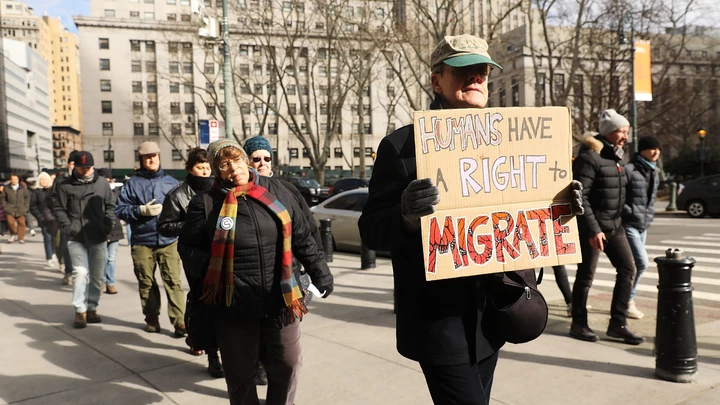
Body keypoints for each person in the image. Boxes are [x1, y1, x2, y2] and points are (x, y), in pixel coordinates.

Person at [358, 34, 586, 405]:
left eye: (482, 72)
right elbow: (371, 230)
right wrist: (407, 216)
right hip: (439, 324)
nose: (476, 78)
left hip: (495, 315)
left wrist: (561, 208)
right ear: (436, 80)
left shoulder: (514, 144)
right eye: (464, 70)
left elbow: (525, 222)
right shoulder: (401, 146)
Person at [181, 139, 333, 405]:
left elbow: (302, 236)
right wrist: (216, 268)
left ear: (245, 160)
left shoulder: (277, 192)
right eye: (224, 164)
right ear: (218, 171)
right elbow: (188, 247)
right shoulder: (205, 202)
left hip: (280, 299)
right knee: (240, 375)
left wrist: (321, 272)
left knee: (287, 365)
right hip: (233, 303)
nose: (233, 168)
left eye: (236, 160)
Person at [243, 135, 325, 386]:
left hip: (289, 274)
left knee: (285, 335)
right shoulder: (238, 192)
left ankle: (272, 366)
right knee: (256, 333)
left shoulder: (287, 189)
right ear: (247, 161)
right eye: (256, 159)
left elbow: (308, 229)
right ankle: (258, 363)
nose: (262, 163)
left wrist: (316, 266)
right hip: (253, 278)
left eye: (267, 158)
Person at [570, 109, 644, 345]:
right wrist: (593, 230)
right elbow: (581, 195)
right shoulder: (590, 158)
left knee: (628, 269)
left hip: (615, 227)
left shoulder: (615, 156)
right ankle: (579, 323)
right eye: (621, 131)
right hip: (594, 229)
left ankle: (618, 324)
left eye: (626, 131)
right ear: (608, 132)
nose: (625, 136)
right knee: (586, 276)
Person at [157, 148, 223, 377]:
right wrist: (191, 226)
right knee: (204, 300)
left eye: (208, 168)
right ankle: (212, 354)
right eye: (200, 168)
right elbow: (164, 226)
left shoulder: (222, 190)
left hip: (222, 253)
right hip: (195, 255)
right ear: (189, 169)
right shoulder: (178, 195)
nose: (205, 172)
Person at [115, 141, 186, 336]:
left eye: (154, 155)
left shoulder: (171, 182)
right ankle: (152, 318)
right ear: (141, 159)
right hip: (142, 240)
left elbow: (183, 209)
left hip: (169, 240)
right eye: (147, 157)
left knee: (173, 281)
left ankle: (180, 322)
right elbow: (120, 210)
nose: (151, 159)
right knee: (146, 282)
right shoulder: (132, 184)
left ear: (159, 156)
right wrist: (140, 210)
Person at [52, 152, 115, 328]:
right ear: (75, 167)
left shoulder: (102, 183)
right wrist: (68, 227)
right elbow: (58, 208)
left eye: (88, 167)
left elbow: (111, 205)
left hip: (98, 235)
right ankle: (80, 310)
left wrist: (107, 225)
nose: (85, 171)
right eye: (82, 168)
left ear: (93, 166)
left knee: (96, 276)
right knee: (80, 272)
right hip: (76, 236)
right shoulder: (65, 185)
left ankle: (92, 307)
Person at [622, 136, 662, 320]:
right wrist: (629, 213)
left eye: (658, 149)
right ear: (642, 150)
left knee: (631, 267)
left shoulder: (654, 171)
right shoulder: (629, 170)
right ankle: (628, 301)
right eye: (652, 148)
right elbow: (620, 197)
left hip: (643, 224)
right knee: (641, 263)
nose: (656, 152)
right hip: (630, 223)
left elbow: (650, 199)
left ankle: (624, 299)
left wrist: (648, 215)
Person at [51, 152, 79, 284]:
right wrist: (58, 214)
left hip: (83, 219)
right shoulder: (60, 180)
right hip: (65, 219)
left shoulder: (87, 178)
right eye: (72, 164)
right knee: (67, 246)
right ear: (68, 164)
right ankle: (69, 271)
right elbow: (51, 197)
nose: (74, 167)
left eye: (76, 164)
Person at [97, 168, 124, 295]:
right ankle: (102, 281)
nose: (107, 183)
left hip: (114, 229)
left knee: (111, 258)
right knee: (103, 257)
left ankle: (110, 283)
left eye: (108, 180)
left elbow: (120, 209)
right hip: (100, 229)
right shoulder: (95, 193)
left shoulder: (116, 194)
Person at [30, 172, 58, 268]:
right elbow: (32, 207)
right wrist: (40, 216)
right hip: (43, 219)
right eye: (41, 180)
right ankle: (49, 257)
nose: (43, 182)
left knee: (55, 237)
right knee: (47, 238)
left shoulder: (53, 190)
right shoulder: (36, 192)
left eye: (45, 179)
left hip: (54, 218)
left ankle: (54, 253)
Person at [2, 174, 31, 244]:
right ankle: (13, 233)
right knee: (10, 222)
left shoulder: (22, 188)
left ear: (18, 180)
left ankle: (21, 238)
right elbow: (2, 198)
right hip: (10, 208)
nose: (14, 180)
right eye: (13, 179)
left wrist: (25, 207)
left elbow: (27, 197)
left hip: (21, 208)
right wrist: (5, 206)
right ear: (10, 180)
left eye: (15, 179)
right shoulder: (7, 188)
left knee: (21, 223)